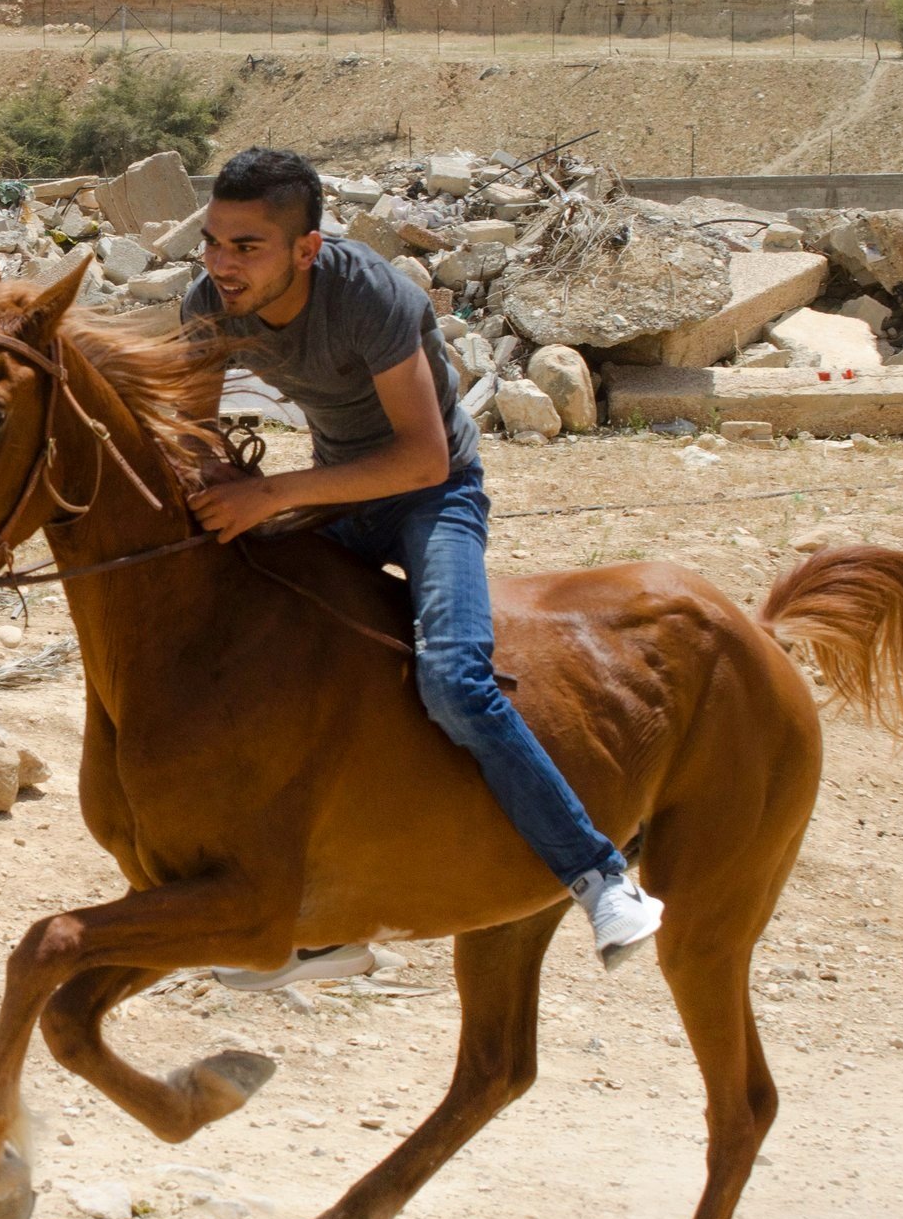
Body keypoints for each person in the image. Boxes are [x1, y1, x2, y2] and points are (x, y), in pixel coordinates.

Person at [179, 147, 662, 984]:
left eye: (247, 246)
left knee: (453, 677)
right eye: (215, 242)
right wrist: (218, 474)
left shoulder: (368, 296)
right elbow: (192, 431)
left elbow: (423, 460)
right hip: (335, 495)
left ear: (307, 249)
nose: (223, 263)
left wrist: (272, 497)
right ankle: (318, 925)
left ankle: (599, 876)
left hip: (429, 491)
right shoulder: (208, 305)